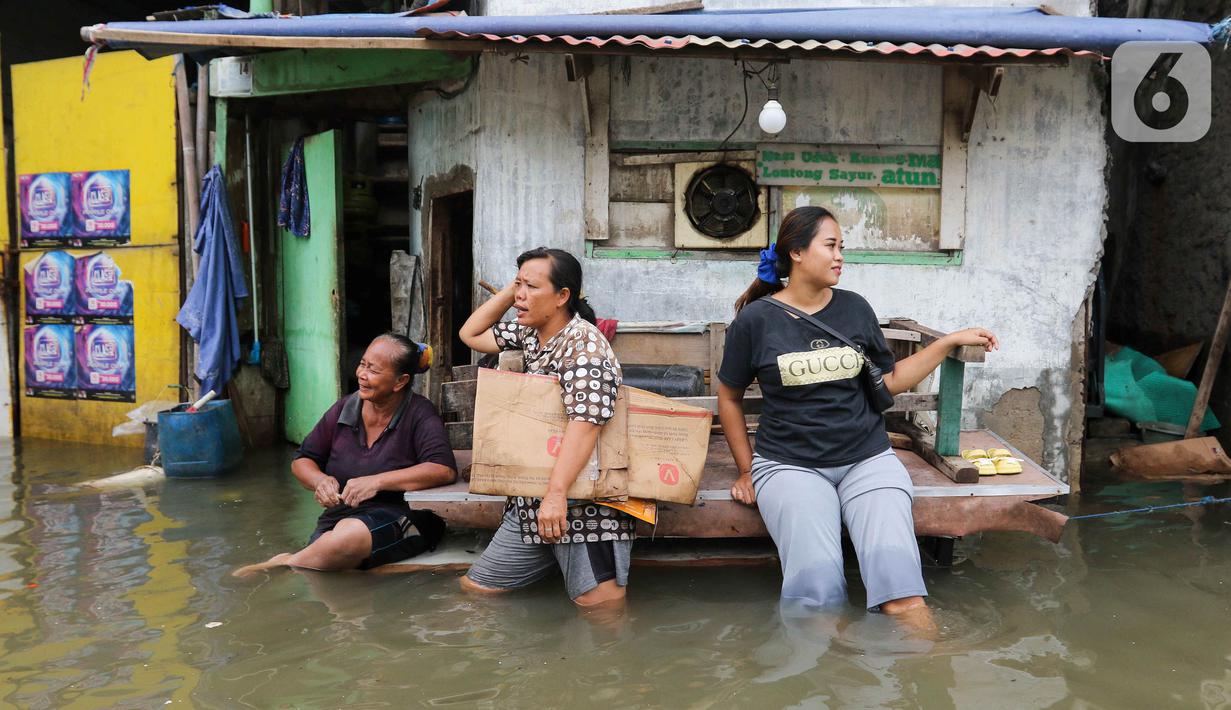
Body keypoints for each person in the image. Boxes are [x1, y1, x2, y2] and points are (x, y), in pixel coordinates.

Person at [716, 206, 998, 623]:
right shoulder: (756, 320)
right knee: (816, 598)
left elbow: (890, 379)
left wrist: (947, 342)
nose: (839, 257)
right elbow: (729, 397)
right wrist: (745, 470)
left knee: (902, 593)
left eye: (841, 248)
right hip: (790, 465)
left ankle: (924, 659)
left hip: (867, 459)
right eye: (830, 246)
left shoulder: (854, 308)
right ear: (796, 252)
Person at [457, 247, 630, 611]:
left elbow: (586, 425)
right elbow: (471, 334)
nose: (520, 295)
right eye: (518, 284)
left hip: (583, 505)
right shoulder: (531, 333)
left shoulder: (584, 346)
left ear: (562, 296)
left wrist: (556, 495)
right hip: (532, 502)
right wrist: (518, 290)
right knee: (477, 590)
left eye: (532, 287)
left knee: (600, 609)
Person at [234, 333, 456, 575]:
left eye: (373, 370)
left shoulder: (420, 413)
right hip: (340, 518)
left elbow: (442, 469)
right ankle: (305, 559)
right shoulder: (345, 408)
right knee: (332, 555)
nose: (362, 374)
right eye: (362, 364)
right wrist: (320, 481)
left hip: (406, 518)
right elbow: (302, 460)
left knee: (345, 539)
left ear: (400, 382)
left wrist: (377, 481)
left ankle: (285, 562)